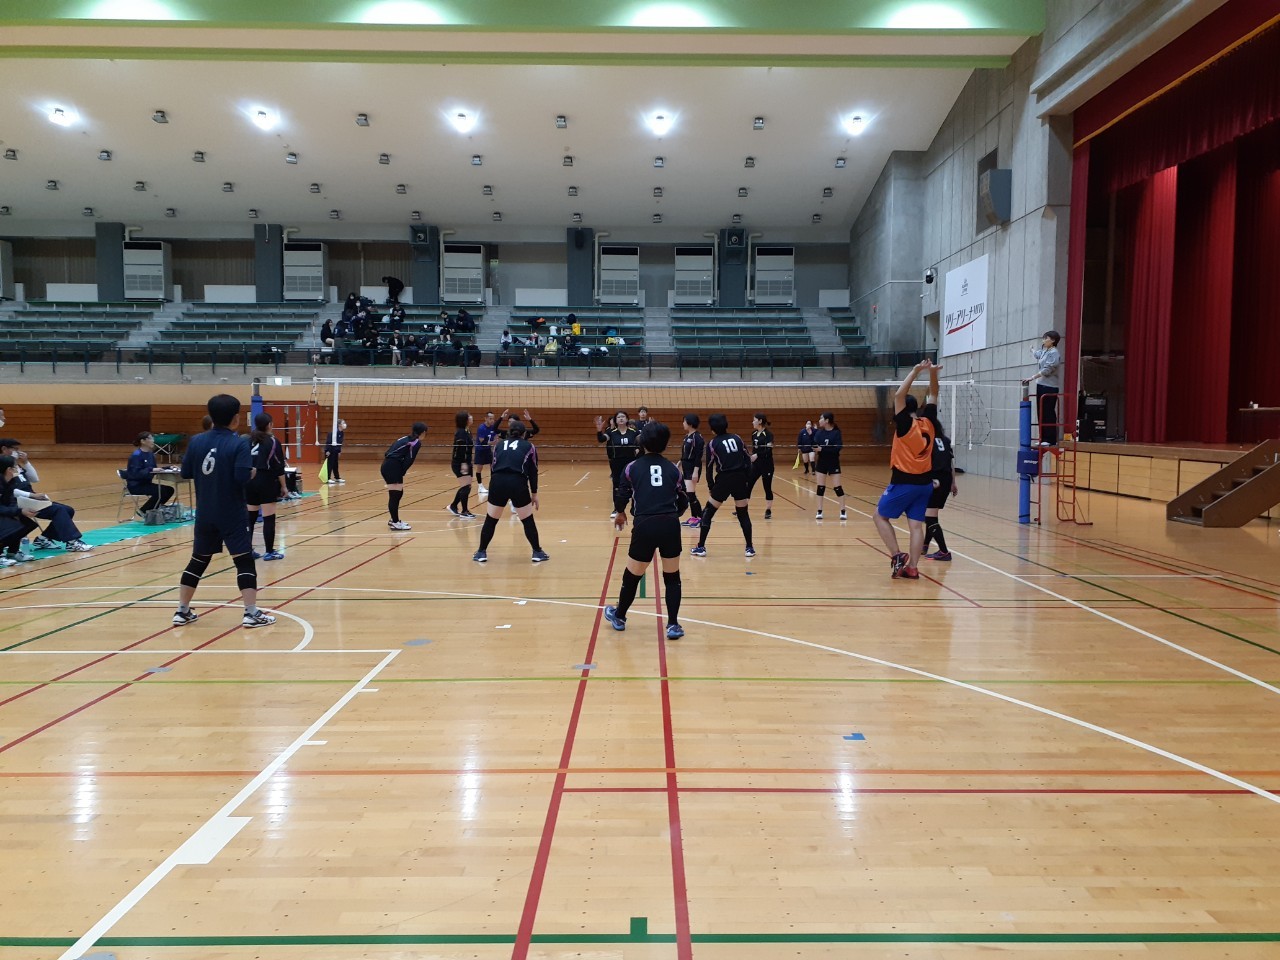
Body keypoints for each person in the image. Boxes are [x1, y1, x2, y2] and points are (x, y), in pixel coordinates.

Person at [171, 394, 275, 628]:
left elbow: (186, 472)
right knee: (244, 561)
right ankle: (250, 613)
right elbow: (241, 477)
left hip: (205, 512)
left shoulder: (196, 441)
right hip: (231, 512)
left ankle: (182, 610)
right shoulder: (239, 443)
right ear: (236, 418)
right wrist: (251, 473)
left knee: (198, 560)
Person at [604, 421, 688, 638]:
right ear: (665, 444)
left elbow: (622, 494)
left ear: (642, 442)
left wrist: (620, 513)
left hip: (645, 525)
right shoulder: (673, 469)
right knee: (672, 577)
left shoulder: (632, 467)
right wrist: (672, 515)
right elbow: (683, 501)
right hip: (669, 525)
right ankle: (673, 625)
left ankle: (620, 616)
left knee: (632, 575)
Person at [873, 360, 939, 581]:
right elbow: (934, 394)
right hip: (925, 484)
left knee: (879, 516)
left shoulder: (904, 425)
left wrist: (915, 371)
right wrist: (932, 373)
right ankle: (912, 568)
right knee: (916, 526)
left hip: (904, 482)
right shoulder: (929, 422)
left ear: (902, 409)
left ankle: (896, 554)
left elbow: (898, 395)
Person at [472, 421, 549, 563]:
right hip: (517, 482)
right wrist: (534, 494)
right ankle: (537, 552)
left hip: (497, 481)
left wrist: (495, 484)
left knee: (491, 519)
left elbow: (493, 466)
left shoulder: (499, 445)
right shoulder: (529, 446)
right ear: (524, 433)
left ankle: (481, 552)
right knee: (527, 520)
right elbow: (533, 472)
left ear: (508, 432)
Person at [0, 438, 91, 553]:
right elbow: (10, 490)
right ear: (4, 449)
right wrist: (31, 495)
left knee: (68, 510)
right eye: (15, 449)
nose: (18, 452)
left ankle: (43, 539)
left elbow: (35, 479)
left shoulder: (15, 465)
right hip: (18, 501)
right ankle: (72, 542)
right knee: (58, 510)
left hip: (30, 498)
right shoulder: (3, 467)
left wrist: (26, 462)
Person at [691, 413, 754, 559]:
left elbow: (709, 467)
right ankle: (749, 548)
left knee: (708, 512)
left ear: (712, 428)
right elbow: (747, 458)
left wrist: (711, 486)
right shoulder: (737, 438)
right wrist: (746, 479)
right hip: (739, 478)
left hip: (724, 480)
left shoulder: (713, 444)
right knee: (743, 514)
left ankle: (701, 547)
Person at [921, 371, 958, 562]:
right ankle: (925, 545)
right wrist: (953, 483)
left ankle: (944, 551)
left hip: (935, 479)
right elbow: (950, 462)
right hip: (945, 478)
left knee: (930, 517)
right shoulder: (945, 439)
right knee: (931, 514)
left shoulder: (925, 439)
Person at [244, 413, 288, 561]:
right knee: (269, 518)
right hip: (265, 480)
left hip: (249, 480)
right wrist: (284, 487)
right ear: (269, 424)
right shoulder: (273, 441)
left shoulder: (248, 440)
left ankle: (247, 550)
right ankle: (269, 552)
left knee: (250, 518)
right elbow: (279, 467)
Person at [382, 421, 428, 531]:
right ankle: (395, 522)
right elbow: (409, 459)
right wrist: (401, 471)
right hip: (393, 467)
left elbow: (388, 451)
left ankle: (394, 519)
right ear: (423, 432)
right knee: (395, 495)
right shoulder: (416, 442)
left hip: (389, 464)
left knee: (398, 493)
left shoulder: (406, 438)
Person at [595, 411, 640, 518]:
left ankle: (636, 508)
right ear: (615, 420)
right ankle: (617, 509)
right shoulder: (611, 432)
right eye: (619, 417)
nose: (621, 418)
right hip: (617, 463)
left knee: (635, 485)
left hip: (631, 463)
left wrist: (638, 450)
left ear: (627, 419)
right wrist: (599, 430)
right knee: (617, 486)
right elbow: (601, 439)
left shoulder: (634, 431)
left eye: (623, 416)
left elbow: (642, 441)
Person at [1022, 330, 1062, 447]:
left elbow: (1047, 369)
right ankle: (1043, 437)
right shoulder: (1045, 351)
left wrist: (1032, 377)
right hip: (1041, 385)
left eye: (1046, 338)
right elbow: (1038, 355)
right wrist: (1032, 350)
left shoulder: (1054, 353)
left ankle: (1050, 439)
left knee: (1048, 412)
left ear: (1053, 340)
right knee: (1041, 412)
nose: (1043, 340)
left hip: (1050, 387)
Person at [0, 455, 41, 566]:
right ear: (9, 469)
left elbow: (11, 502)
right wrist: (18, 512)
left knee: (25, 524)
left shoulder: (10, 482)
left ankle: (13, 552)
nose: (17, 469)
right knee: (11, 525)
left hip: (3, 511)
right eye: (15, 466)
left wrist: (20, 511)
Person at [124, 431, 176, 514]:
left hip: (147, 484)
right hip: (136, 486)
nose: (153, 441)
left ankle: (153, 509)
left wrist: (168, 468)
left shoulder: (150, 454)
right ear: (143, 441)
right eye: (151, 438)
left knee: (169, 490)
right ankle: (145, 511)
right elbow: (135, 474)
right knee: (161, 491)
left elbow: (153, 469)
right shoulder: (136, 455)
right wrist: (150, 470)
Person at [812, 412, 847, 521]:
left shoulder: (836, 433)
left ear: (827, 420)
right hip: (822, 462)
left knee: (837, 487)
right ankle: (819, 511)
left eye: (821, 418)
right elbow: (814, 445)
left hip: (833, 462)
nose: (819, 420)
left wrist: (822, 449)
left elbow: (837, 449)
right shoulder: (819, 433)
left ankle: (843, 511)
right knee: (820, 487)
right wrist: (812, 439)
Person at [448, 411, 478, 519]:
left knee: (467, 486)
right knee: (465, 486)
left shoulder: (467, 431)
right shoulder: (461, 433)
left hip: (466, 462)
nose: (471, 417)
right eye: (469, 416)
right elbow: (460, 451)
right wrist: (464, 464)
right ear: (465, 420)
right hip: (461, 463)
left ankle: (453, 505)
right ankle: (464, 511)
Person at [679, 413, 705, 528]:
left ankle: (701, 518)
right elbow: (685, 453)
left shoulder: (697, 437)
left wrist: (695, 471)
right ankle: (694, 517)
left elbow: (698, 456)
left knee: (690, 494)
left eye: (684, 421)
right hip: (686, 466)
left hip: (692, 467)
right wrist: (680, 462)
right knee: (689, 493)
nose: (683, 423)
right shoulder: (687, 436)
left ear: (690, 423)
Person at [748, 413, 775, 520]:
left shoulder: (768, 435)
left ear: (760, 421)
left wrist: (757, 455)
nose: (752, 422)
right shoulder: (754, 433)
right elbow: (754, 449)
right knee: (748, 484)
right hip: (756, 465)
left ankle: (768, 510)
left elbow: (768, 450)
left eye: (754, 420)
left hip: (767, 465)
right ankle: (742, 507)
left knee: (767, 487)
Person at [474, 410, 498, 495]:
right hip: (480, 449)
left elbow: (496, 436)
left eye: (493, 419)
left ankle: (492, 485)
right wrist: (492, 443)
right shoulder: (481, 428)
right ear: (486, 418)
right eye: (490, 418)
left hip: (488, 449)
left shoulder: (493, 427)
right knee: (479, 468)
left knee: (493, 466)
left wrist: (496, 440)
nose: (492, 420)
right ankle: (480, 486)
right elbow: (482, 441)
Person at [324, 419, 346, 484]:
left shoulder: (341, 433)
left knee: (335, 465)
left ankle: (337, 477)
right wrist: (327, 451)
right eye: (343, 423)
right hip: (330, 450)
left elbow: (339, 443)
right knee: (330, 465)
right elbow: (328, 442)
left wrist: (339, 451)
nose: (344, 424)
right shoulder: (333, 433)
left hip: (336, 451)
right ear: (339, 425)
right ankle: (328, 478)